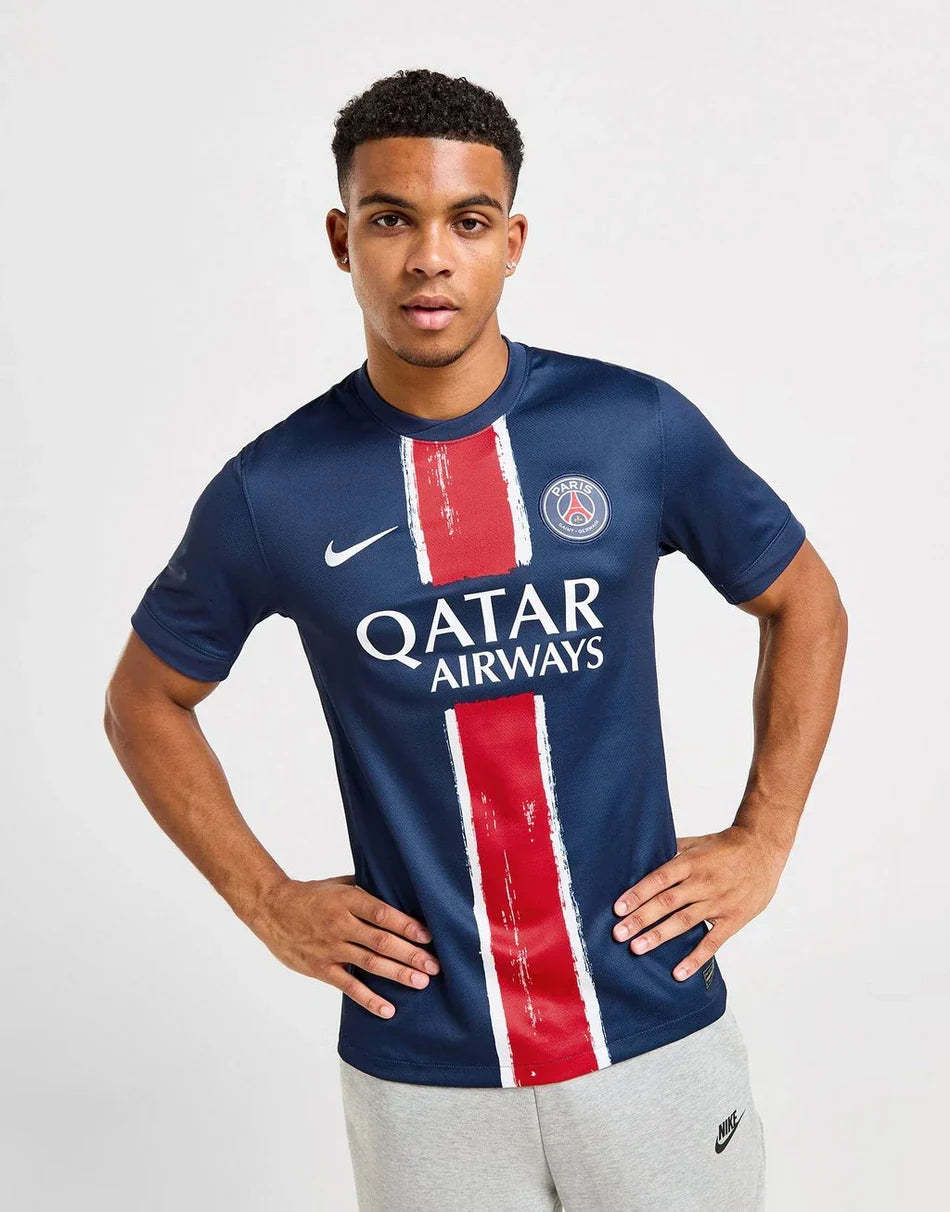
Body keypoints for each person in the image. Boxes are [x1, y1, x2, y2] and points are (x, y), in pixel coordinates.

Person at [104, 67, 848, 1211]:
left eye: (466, 220)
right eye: (389, 220)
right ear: (341, 239)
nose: (428, 258)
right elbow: (143, 700)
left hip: (649, 1022)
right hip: (423, 1063)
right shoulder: (273, 491)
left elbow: (804, 601)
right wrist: (266, 900)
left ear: (511, 241)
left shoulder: (632, 428)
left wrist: (765, 836)